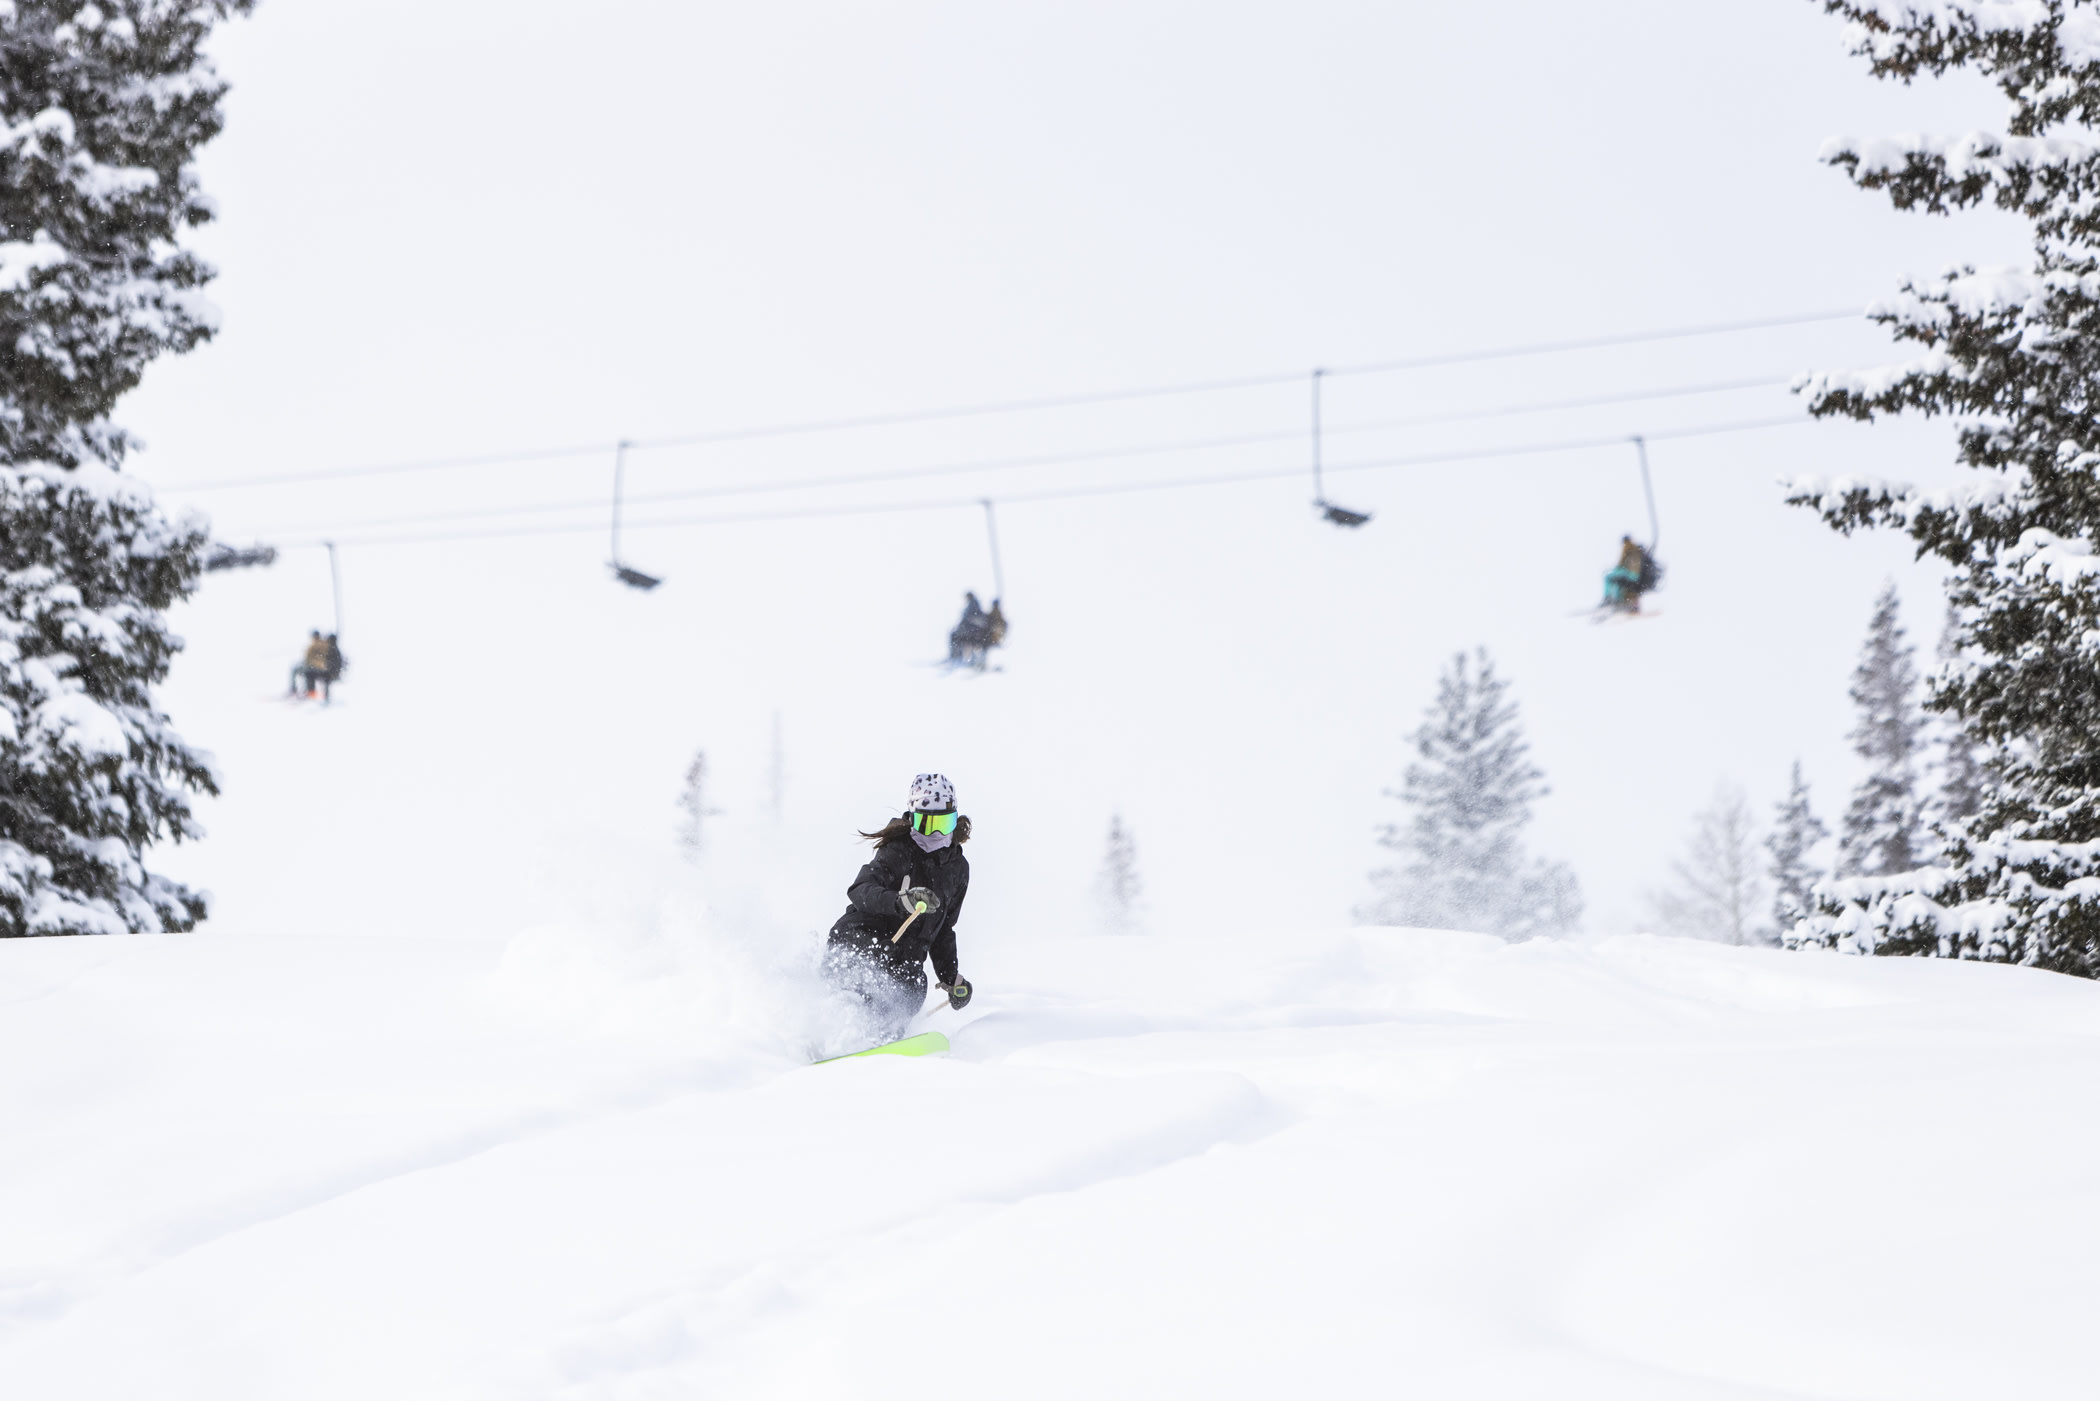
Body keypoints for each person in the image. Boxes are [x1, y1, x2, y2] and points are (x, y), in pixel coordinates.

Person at [824, 772, 973, 1043]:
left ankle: (883, 1041)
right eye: (928, 824)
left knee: (914, 986)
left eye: (944, 822)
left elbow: (943, 930)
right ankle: (834, 1033)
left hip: (905, 957)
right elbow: (860, 890)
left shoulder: (958, 869)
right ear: (913, 819)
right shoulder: (898, 851)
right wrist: (899, 901)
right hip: (864, 938)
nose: (937, 833)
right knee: (868, 969)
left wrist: (952, 979)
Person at [1603, 535, 1653, 613]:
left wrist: (1615, 570)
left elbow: (1621, 565)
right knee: (1617, 580)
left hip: (1632, 575)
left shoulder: (1629, 549)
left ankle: (1610, 599)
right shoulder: (1635, 550)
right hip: (1634, 575)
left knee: (1609, 578)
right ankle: (1620, 602)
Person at [948, 592, 988, 665]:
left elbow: (970, 618)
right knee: (955, 636)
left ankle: (956, 657)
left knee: (954, 637)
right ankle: (957, 657)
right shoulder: (973, 605)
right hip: (971, 631)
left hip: (971, 632)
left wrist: (964, 626)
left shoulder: (973, 606)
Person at [288, 630, 329, 698]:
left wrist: (313, 663)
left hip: (315, 667)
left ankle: (297, 690)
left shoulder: (315, 645)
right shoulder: (323, 644)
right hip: (318, 667)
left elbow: (312, 658)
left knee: (297, 670)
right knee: (304, 671)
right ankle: (308, 692)